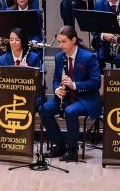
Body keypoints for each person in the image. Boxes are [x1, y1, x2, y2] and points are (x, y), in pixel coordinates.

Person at [40, 26, 100, 162]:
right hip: (66, 97)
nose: (60, 45)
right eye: (59, 42)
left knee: (70, 111)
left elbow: (96, 83)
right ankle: (60, 145)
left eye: (63, 42)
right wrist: (57, 89)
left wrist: (74, 85)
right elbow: (56, 79)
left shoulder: (89, 57)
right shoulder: (59, 57)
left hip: (85, 99)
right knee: (44, 109)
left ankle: (72, 150)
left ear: (73, 40)